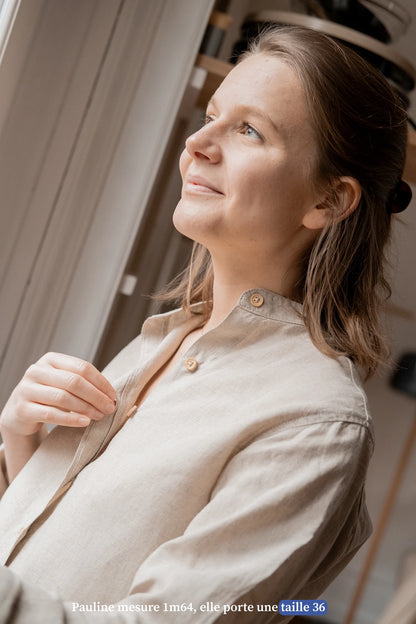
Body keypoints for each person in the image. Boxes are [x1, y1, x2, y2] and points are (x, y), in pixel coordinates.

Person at [0, 25, 412, 623]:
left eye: (249, 130)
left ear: (328, 201)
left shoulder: (314, 424)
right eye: (213, 115)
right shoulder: (162, 343)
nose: (198, 141)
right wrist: (20, 442)